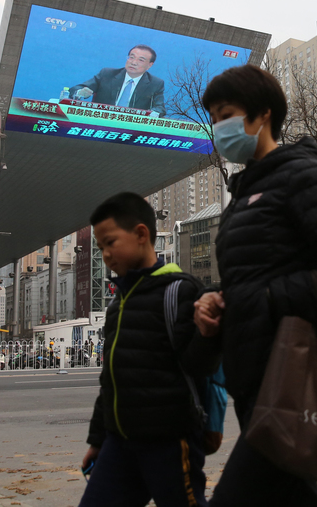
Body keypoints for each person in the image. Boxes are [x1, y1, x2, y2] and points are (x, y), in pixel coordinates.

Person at [193, 65, 317, 506]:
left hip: (289, 373)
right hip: (254, 374)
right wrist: (217, 299)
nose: (219, 127)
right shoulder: (241, 195)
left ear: (262, 116)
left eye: (227, 113)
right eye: (214, 117)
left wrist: (263, 300)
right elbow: (255, 272)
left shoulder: (298, 174)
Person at [79, 192, 213, 507]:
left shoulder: (179, 290)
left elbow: (199, 365)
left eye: (110, 242)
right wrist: (98, 440)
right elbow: (111, 378)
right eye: (100, 247)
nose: (105, 254)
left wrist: (208, 333)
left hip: (169, 442)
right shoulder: (117, 302)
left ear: (141, 234)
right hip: (119, 444)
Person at [70, 45, 166, 116]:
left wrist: (154, 113)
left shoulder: (155, 84)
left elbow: (159, 108)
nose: (133, 62)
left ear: (150, 65)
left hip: (131, 128)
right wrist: (80, 92)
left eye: (141, 60)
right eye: (131, 57)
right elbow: (75, 89)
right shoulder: (107, 74)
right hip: (100, 121)